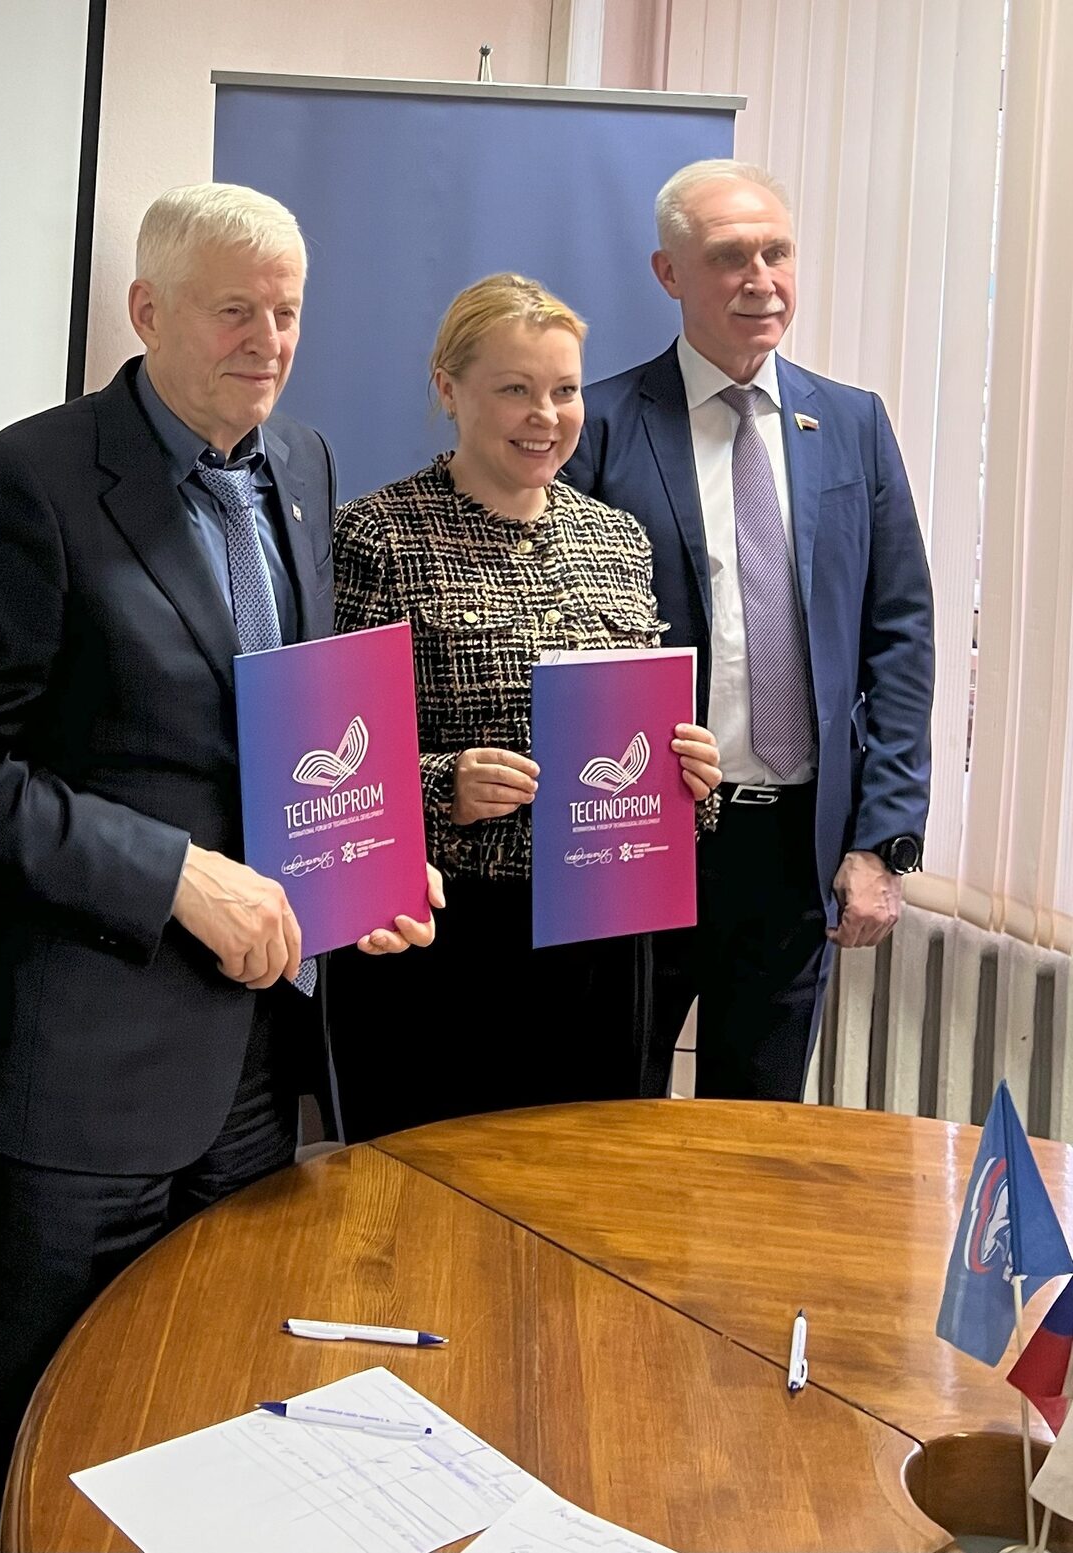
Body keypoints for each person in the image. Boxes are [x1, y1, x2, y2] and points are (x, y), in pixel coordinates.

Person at [0, 182, 441, 1513]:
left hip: (258, 1051)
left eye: (288, 312)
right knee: (61, 1446)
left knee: (217, 1414)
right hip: (83, 1068)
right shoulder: (33, 478)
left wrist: (364, 859)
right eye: (235, 310)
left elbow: (290, 723)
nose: (269, 340)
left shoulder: (302, 462)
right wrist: (173, 874)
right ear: (146, 310)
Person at [562, 159, 935, 1102]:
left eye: (778, 253)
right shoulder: (598, 425)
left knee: (757, 1136)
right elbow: (557, 640)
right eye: (731, 257)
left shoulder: (852, 423)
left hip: (793, 848)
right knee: (604, 1118)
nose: (761, 280)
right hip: (640, 831)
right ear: (669, 273)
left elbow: (901, 637)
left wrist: (883, 839)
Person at [330, 273, 723, 1140]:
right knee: (437, 1191)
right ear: (449, 388)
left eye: (565, 390)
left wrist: (690, 779)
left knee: (590, 1184)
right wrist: (444, 785)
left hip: (605, 936)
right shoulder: (376, 535)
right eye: (515, 389)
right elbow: (330, 770)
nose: (546, 416)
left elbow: (643, 747)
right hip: (446, 941)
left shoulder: (618, 539)